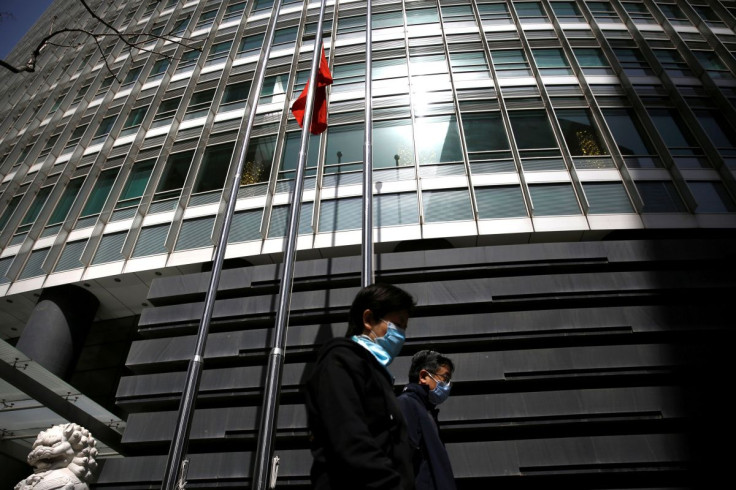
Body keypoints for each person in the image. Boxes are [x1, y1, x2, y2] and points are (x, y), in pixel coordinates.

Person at [304, 283, 416, 490]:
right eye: (398, 324)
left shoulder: (378, 374)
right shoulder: (340, 361)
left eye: (404, 328)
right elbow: (350, 440)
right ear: (368, 319)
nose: (402, 335)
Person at [397, 350, 457, 490]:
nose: (448, 385)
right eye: (445, 378)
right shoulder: (407, 404)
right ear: (424, 376)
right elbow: (403, 460)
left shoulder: (425, 410)